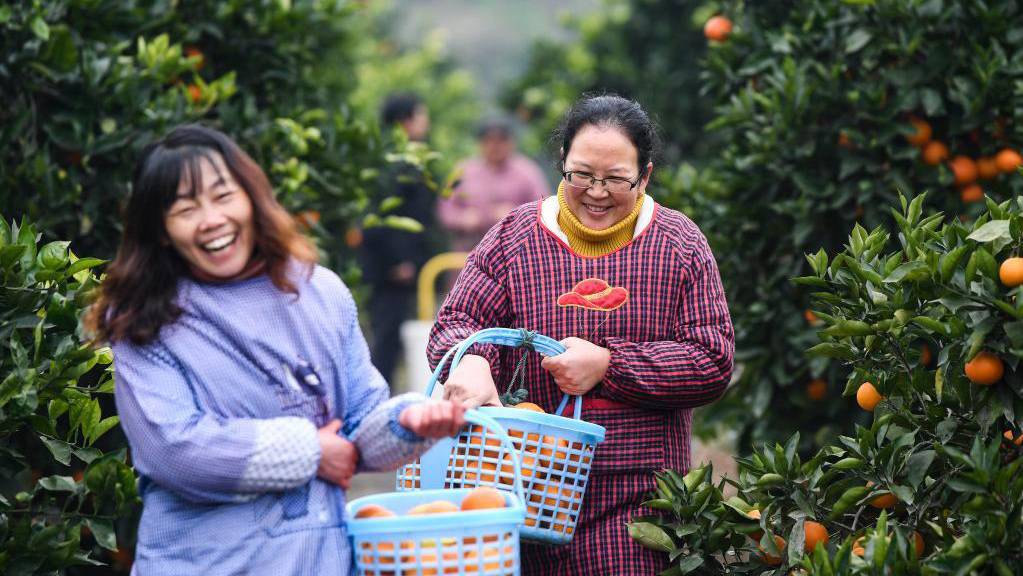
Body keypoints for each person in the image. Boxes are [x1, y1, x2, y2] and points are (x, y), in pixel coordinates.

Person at [87, 124, 466, 575]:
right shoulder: (144, 318)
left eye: (223, 196)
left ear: (250, 197)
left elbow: (360, 427)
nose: (211, 219)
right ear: (162, 231)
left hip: (317, 560)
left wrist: (407, 422)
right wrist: (311, 451)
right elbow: (175, 450)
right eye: (186, 209)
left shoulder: (318, 292)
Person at [427, 94, 734, 574]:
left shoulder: (678, 245)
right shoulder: (515, 238)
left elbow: (711, 360)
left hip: (639, 499)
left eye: (615, 179)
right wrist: (474, 360)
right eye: (582, 175)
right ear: (561, 167)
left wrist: (611, 367)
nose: (596, 191)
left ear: (645, 176)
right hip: (522, 490)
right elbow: (455, 324)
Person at [361, 92, 436, 385]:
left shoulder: (410, 157)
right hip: (392, 269)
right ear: (405, 122)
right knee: (387, 339)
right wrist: (399, 260)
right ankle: (378, 400)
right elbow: (382, 218)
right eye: (420, 115)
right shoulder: (394, 162)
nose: (425, 122)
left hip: (409, 265)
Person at [437, 116, 550, 252]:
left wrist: (516, 216)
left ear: (511, 142)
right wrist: (462, 219)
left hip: (514, 256)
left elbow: (545, 211)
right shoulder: (462, 171)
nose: (494, 146)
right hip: (467, 256)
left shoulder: (528, 172)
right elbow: (444, 209)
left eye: (501, 140)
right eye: (489, 140)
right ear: (480, 143)